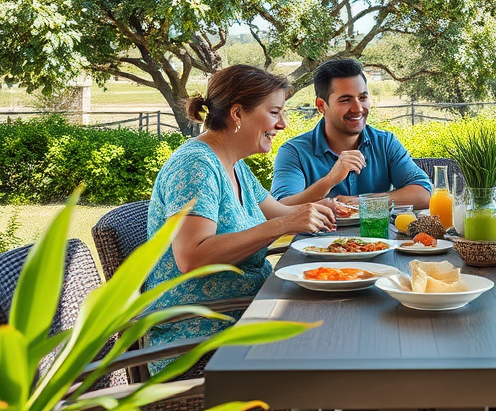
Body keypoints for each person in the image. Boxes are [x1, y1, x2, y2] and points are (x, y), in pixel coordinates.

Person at [145, 65, 337, 358]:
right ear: (238, 114)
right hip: (203, 339)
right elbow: (192, 257)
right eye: (274, 112)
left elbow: (281, 211)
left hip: (251, 313)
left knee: (337, 324)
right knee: (333, 342)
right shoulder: (196, 165)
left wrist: (318, 206)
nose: (283, 123)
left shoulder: (234, 164)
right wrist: (286, 224)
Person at [270, 58, 431, 207]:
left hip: (379, 238)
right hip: (315, 238)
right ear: (321, 106)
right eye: (345, 100)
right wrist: (331, 179)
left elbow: (423, 194)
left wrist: (362, 202)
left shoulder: (385, 143)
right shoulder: (294, 152)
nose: (358, 108)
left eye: (362, 98)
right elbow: (281, 207)